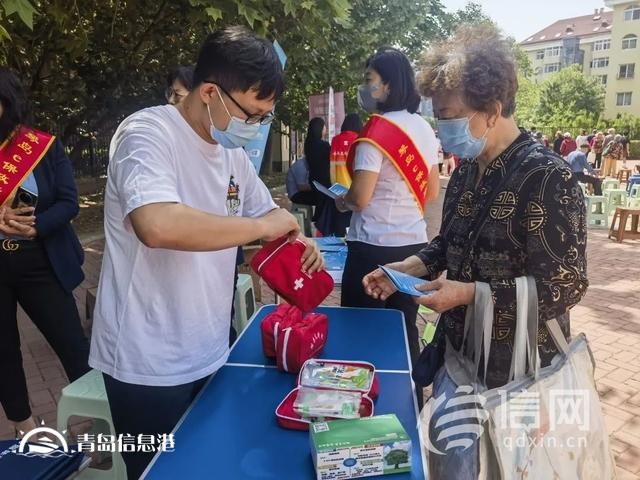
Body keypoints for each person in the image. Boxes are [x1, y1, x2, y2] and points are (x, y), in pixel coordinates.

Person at [89, 27, 323, 479]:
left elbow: (272, 216)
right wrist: (260, 227)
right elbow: (157, 224)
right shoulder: (146, 134)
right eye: (252, 115)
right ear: (211, 91)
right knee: (160, 472)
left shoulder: (231, 155)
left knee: (212, 466)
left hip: (211, 350)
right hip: (146, 364)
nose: (255, 128)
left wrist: (297, 237)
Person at [363, 25, 587, 478]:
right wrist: (408, 266)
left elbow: (565, 285)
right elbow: (450, 243)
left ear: (492, 110)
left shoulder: (548, 177)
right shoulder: (467, 170)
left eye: (450, 116)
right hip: (458, 357)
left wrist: (468, 295)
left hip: (519, 375)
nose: (442, 129)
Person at [334, 47, 440, 368]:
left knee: (360, 336)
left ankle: (362, 408)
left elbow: (360, 198)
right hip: (413, 251)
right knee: (404, 330)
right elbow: (432, 190)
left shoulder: (375, 131)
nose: (366, 88)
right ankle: (409, 400)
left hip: (371, 250)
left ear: (389, 86)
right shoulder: (424, 128)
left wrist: (342, 200)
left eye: (370, 80)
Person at [0, 68, 90, 437]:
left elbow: (69, 203)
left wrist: (36, 225)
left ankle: (96, 418)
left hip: (41, 261)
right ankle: (24, 427)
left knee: (71, 343)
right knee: (4, 350)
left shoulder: (42, 145)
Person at [329, 113, 363, 187]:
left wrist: (333, 184)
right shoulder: (359, 140)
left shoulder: (335, 140)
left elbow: (332, 164)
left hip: (339, 187)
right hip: (355, 187)